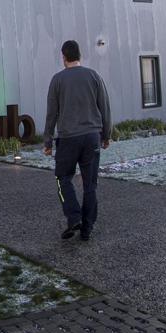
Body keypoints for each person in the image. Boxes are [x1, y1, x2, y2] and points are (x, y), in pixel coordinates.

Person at [43, 40, 112, 241]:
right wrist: (106, 135)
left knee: (63, 178)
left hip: (68, 139)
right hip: (92, 137)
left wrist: (47, 142)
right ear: (79, 55)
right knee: (90, 184)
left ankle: (74, 218)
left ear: (64, 56)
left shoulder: (57, 80)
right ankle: (87, 228)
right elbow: (105, 108)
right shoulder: (94, 76)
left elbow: (51, 114)